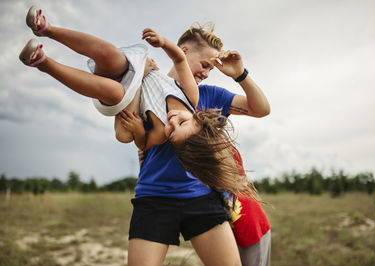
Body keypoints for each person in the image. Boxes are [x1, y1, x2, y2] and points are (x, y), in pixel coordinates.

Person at [19, 6, 247, 194]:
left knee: (115, 92)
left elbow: (141, 143)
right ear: (197, 118)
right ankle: (47, 29)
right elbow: (179, 58)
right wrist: (163, 42)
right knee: (109, 54)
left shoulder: (161, 133)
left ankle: (42, 62)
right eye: (182, 123)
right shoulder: (191, 94)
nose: (171, 121)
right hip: (132, 68)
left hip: (125, 94)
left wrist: (140, 130)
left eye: (171, 131)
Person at [123, 23, 271, 266]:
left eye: (210, 69)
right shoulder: (148, 88)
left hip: (201, 197)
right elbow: (131, 134)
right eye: (204, 65)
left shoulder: (211, 96)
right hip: (154, 196)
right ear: (183, 52)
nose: (206, 73)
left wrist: (240, 74)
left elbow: (261, 109)